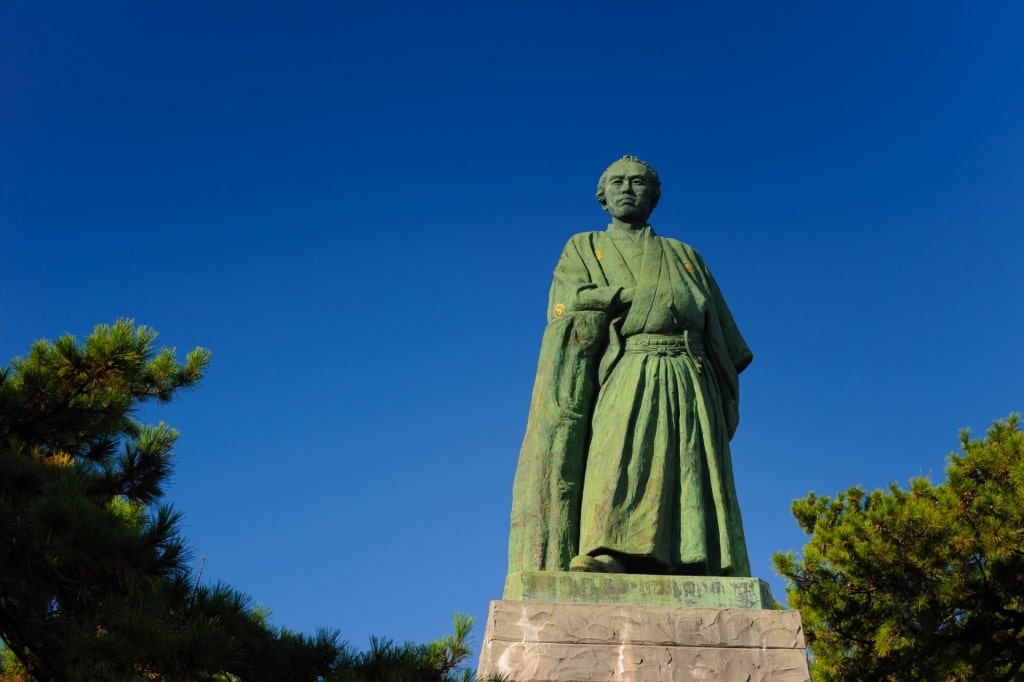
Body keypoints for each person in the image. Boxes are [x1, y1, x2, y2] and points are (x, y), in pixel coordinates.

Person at [506, 155, 753, 577]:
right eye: (617, 182)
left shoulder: (683, 253)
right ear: (602, 197)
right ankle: (609, 549)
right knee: (616, 457)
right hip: (628, 365)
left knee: (688, 463)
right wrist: (626, 296)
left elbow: (724, 336)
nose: (627, 189)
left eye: (638, 183)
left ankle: (695, 558)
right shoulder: (583, 246)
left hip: (689, 373)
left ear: (653, 196)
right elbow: (565, 304)